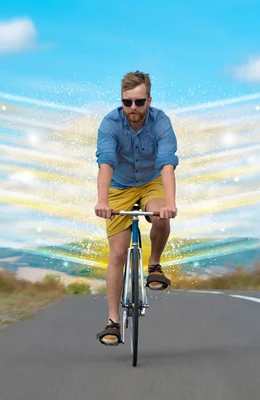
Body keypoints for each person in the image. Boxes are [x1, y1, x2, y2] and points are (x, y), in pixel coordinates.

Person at [94, 70, 179, 346]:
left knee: (160, 215)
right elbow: (105, 162)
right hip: (119, 186)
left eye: (139, 102)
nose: (133, 108)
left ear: (149, 100)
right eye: (127, 102)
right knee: (117, 254)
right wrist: (103, 201)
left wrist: (171, 203)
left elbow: (167, 163)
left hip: (150, 181)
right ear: (121, 101)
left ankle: (154, 264)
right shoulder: (109, 123)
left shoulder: (161, 122)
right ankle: (113, 322)